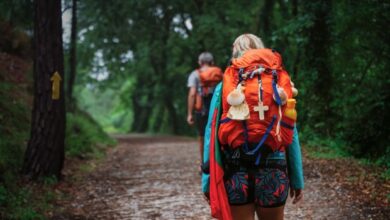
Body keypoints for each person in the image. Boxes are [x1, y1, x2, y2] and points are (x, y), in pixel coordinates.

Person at [201, 34, 304, 220]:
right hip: (274, 170)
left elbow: (211, 134)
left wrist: (207, 181)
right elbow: (291, 131)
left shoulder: (226, 85)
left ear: (235, 52)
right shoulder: (277, 81)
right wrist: (297, 179)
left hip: (236, 172)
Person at [187, 52, 222, 169]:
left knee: (202, 137)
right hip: (217, 110)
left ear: (200, 62)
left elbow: (192, 94)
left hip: (201, 110)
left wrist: (189, 114)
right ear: (212, 62)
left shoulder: (195, 74)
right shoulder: (218, 73)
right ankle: (218, 164)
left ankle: (204, 165)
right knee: (217, 136)